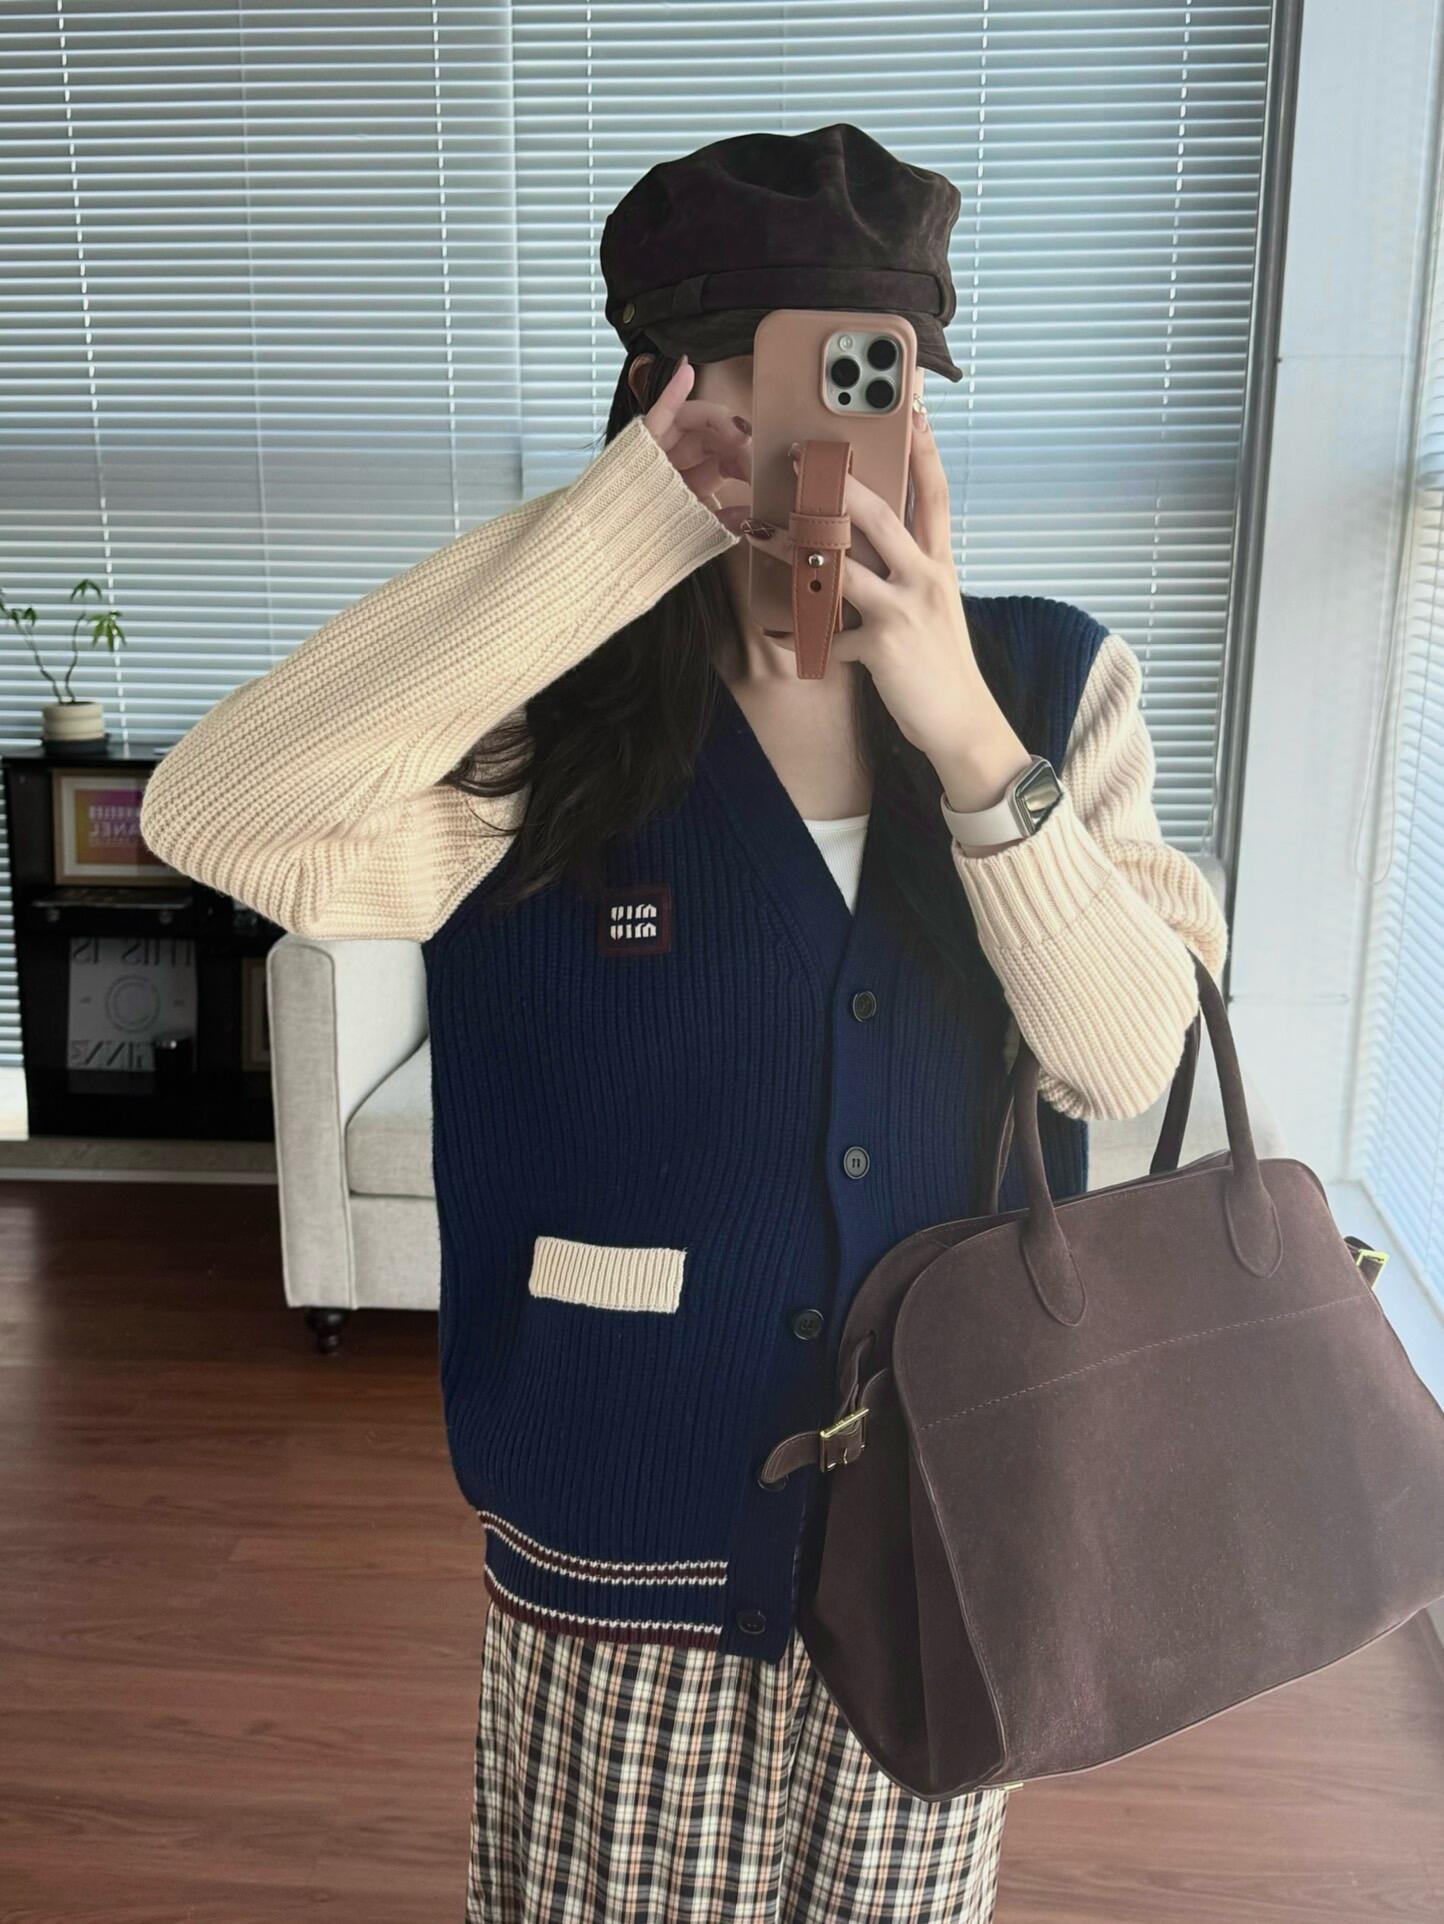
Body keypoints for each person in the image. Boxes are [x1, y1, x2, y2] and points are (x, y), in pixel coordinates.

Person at [140, 123, 1228, 1924]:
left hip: (946, 1526)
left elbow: (1126, 1054)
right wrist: (619, 533)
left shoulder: (1049, 685)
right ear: (656, 389)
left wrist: (961, 731)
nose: (820, 439)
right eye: (759, 374)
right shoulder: (545, 715)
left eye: (871, 379)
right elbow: (217, 815)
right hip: (622, 1520)